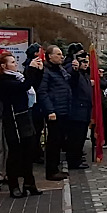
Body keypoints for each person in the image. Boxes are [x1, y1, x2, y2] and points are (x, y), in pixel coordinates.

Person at [0, 52, 43, 198]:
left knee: (29, 151)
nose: (15, 64)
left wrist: (39, 70)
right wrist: (31, 69)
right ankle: (14, 185)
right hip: (13, 119)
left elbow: (32, 85)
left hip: (25, 115)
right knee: (15, 153)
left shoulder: (17, 76)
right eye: (12, 62)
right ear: (3, 65)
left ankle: (29, 182)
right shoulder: (1, 79)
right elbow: (23, 87)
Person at [38, 45, 72, 180]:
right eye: (58, 54)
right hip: (55, 111)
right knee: (53, 141)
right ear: (49, 56)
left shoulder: (60, 70)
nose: (61, 56)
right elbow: (42, 92)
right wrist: (50, 110)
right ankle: (51, 171)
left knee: (59, 141)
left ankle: (56, 168)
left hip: (63, 110)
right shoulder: (46, 71)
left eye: (61, 54)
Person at [66, 50, 94, 170]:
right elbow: (72, 79)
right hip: (77, 111)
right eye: (83, 62)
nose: (85, 64)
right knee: (75, 138)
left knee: (81, 138)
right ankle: (74, 161)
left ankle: (77, 158)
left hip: (85, 111)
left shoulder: (85, 75)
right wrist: (75, 69)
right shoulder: (76, 74)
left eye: (86, 62)